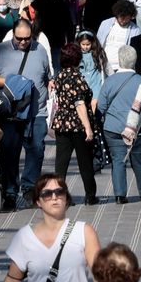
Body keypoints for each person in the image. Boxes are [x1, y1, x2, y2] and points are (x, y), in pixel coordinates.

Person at [0, 20, 55, 212]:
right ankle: (10, 192)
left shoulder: (40, 49)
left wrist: (51, 84)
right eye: (19, 39)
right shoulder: (1, 51)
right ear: (13, 34)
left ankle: (29, 189)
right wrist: (11, 82)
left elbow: (46, 75)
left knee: (36, 151)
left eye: (28, 38)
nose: (24, 42)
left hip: (37, 112)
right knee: (9, 154)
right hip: (11, 113)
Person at [98, 45, 141, 204]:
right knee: (139, 160)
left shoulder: (110, 81)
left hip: (113, 127)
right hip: (138, 129)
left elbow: (101, 106)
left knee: (118, 160)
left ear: (119, 60)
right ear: (135, 61)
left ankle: (120, 195)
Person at [51, 42, 101, 205]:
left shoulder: (59, 76)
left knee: (61, 163)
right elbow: (80, 104)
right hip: (78, 125)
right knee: (84, 162)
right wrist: (88, 128)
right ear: (77, 58)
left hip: (61, 124)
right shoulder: (77, 78)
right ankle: (90, 196)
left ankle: (59, 196)